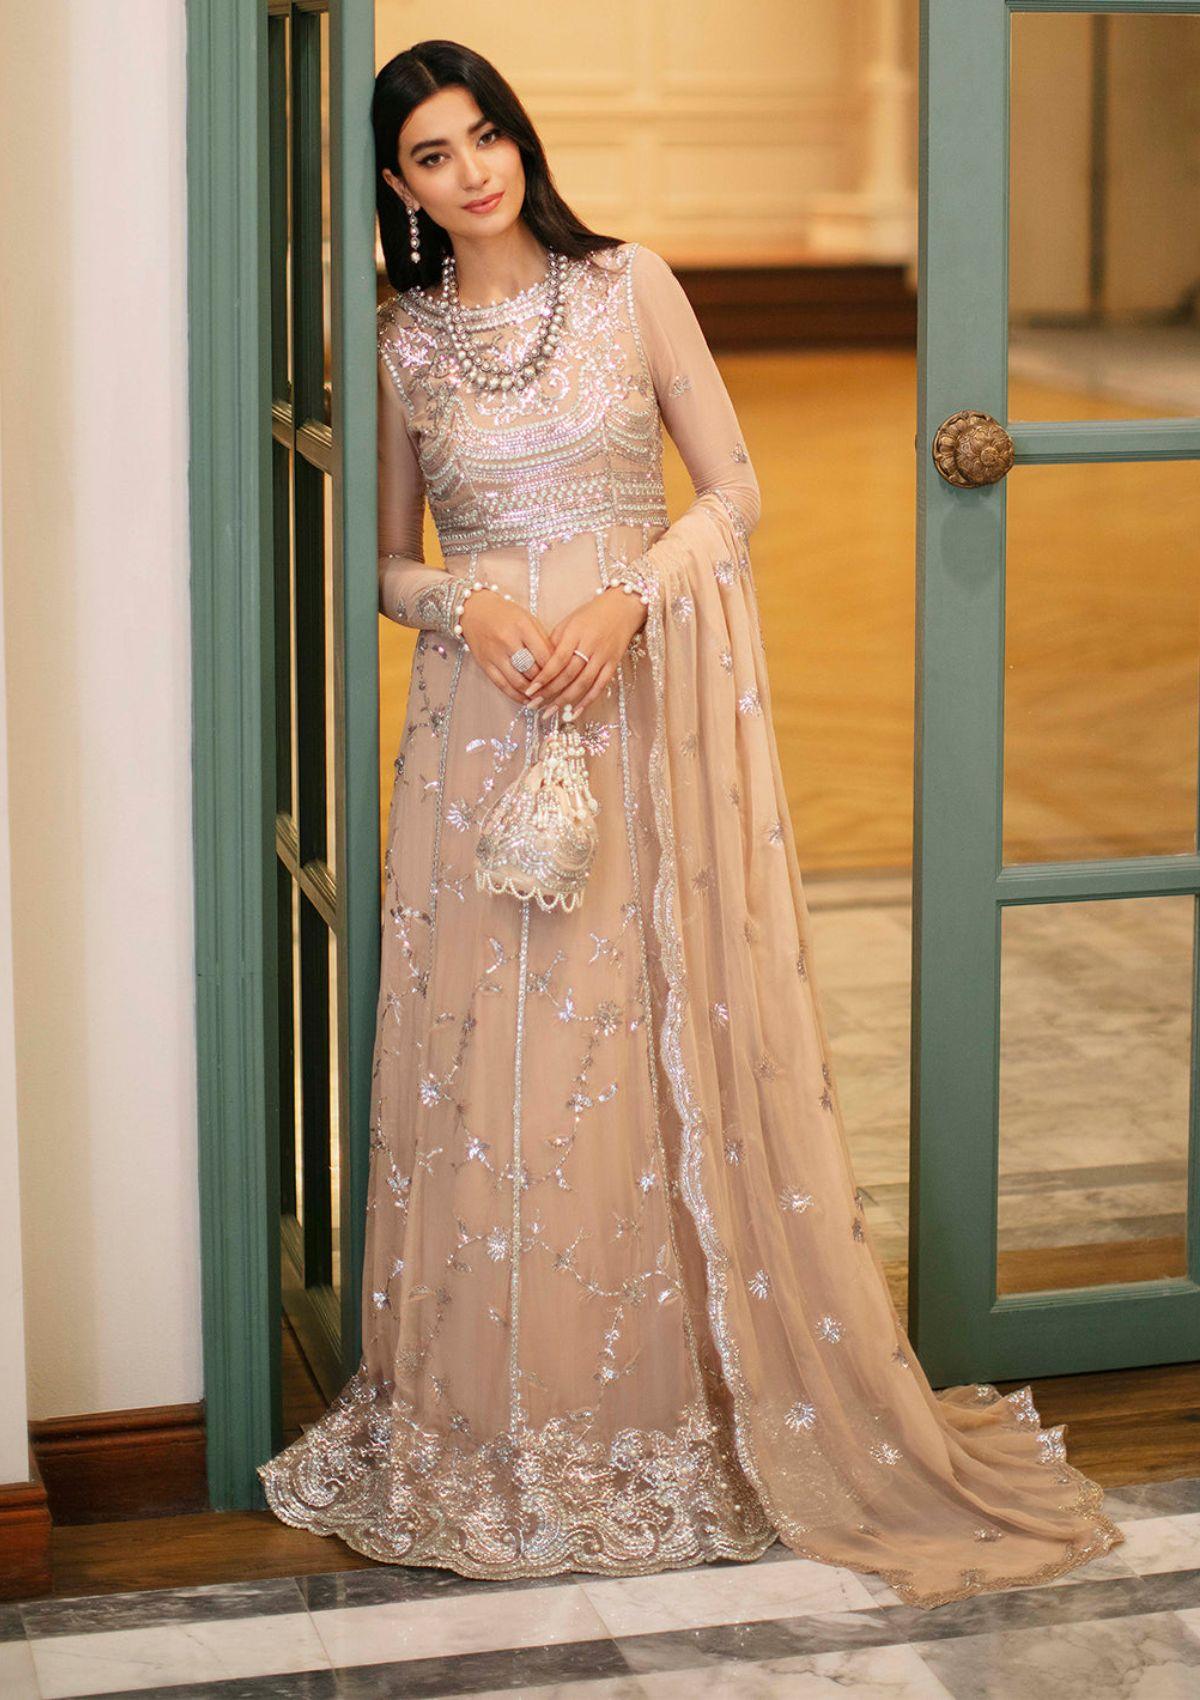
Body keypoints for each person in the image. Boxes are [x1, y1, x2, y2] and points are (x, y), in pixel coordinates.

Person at [257, 38, 1124, 1608]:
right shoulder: (401, 345)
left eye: (487, 135)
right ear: (398, 187)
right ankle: (502, 1418)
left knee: (629, 1027)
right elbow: (384, 564)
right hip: (483, 724)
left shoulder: (628, 285)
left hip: (637, 703)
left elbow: (733, 489)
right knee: (501, 1052)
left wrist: (625, 599)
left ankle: (666, 1402)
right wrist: (464, 605)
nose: (473, 170)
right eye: (436, 155)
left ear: (521, 138)